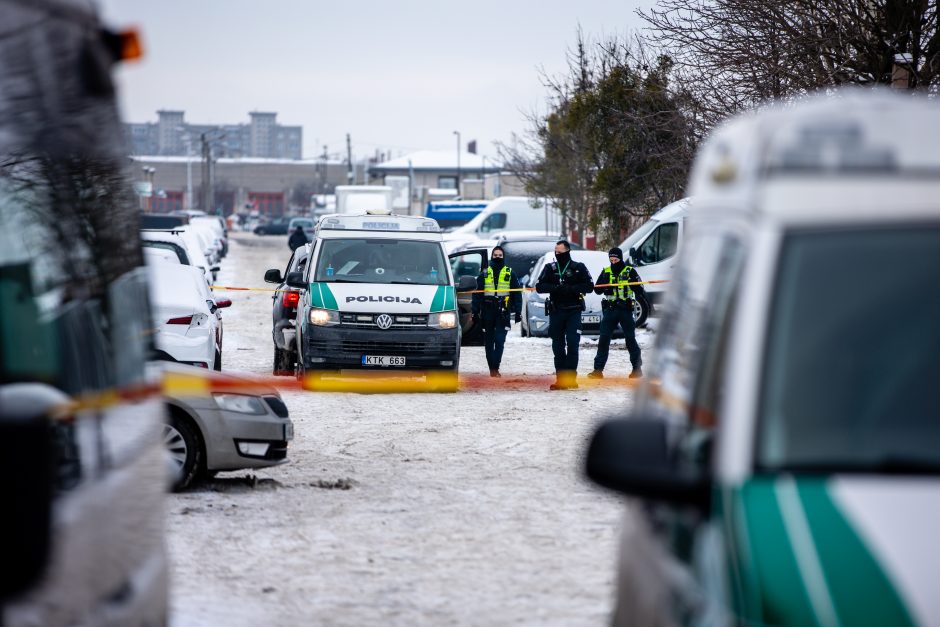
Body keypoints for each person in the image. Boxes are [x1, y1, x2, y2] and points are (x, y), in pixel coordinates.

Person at [535, 240, 594, 390]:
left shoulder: (578, 267)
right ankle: (560, 379)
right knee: (558, 346)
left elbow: (589, 286)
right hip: (557, 311)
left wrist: (571, 289)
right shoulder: (550, 268)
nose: (557, 254)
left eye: (560, 252)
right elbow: (539, 286)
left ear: (567, 252)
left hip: (573, 310)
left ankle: (570, 378)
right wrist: (556, 288)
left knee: (573, 344)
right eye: (556, 252)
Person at [588, 247, 645, 380]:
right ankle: (598, 370)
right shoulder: (606, 271)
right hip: (610, 310)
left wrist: (633, 284)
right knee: (603, 339)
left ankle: (637, 369)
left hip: (626, 310)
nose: (613, 262)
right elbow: (597, 290)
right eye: (611, 260)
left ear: (620, 258)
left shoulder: (630, 271)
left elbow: (641, 290)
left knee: (630, 339)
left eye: (616, 259)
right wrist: (605, 286)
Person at [471, 246, 522, 377]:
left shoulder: (510, 273)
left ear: (503, 256)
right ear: (492, 256)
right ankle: (492, 368)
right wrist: (474, 311)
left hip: (503, 312)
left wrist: (518, 311)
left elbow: (517, 294)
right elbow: (477, 294)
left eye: (500, 255)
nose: (497, 257)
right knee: (489, 342)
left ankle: (495, 367)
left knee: (499, 340)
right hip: (487, 312)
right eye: (495, 255)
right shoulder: (484, 273)